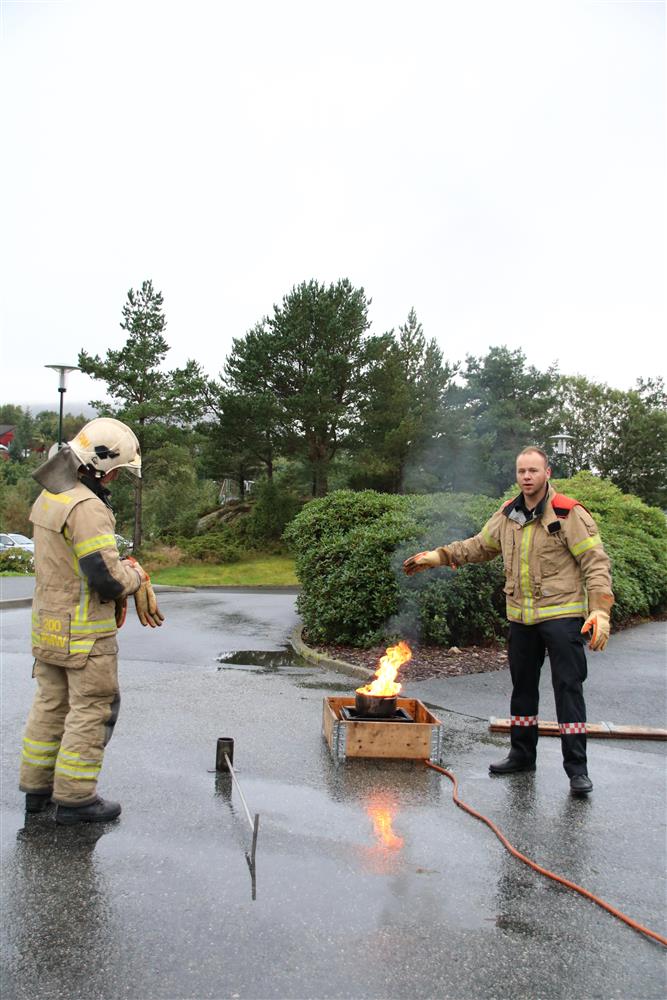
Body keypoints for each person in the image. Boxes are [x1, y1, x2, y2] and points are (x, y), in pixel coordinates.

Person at [403, 446, 614, 795]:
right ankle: (521, 755)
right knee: (522, 690)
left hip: (562, 617)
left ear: (547, 473)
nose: (527, 477)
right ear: (516, 476)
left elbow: (595, 562)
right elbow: (478, 546)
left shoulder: (568, 512)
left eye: (533, 470)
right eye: (521, 471)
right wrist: (439, 556)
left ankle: (577, 770)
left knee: (568, 690)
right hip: (521, 619)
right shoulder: (508, 514)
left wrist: (600, 609)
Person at [19, 417, 164, 824]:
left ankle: (37, 791)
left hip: (49, 626)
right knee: (92, 708)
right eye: (116, 471)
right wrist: (135, 575)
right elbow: (105, 576)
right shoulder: (87, 507)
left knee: (51, 706)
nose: (116, 478)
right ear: (99, 465)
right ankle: (76, 798)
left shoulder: (50, 497)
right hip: (85, 634)